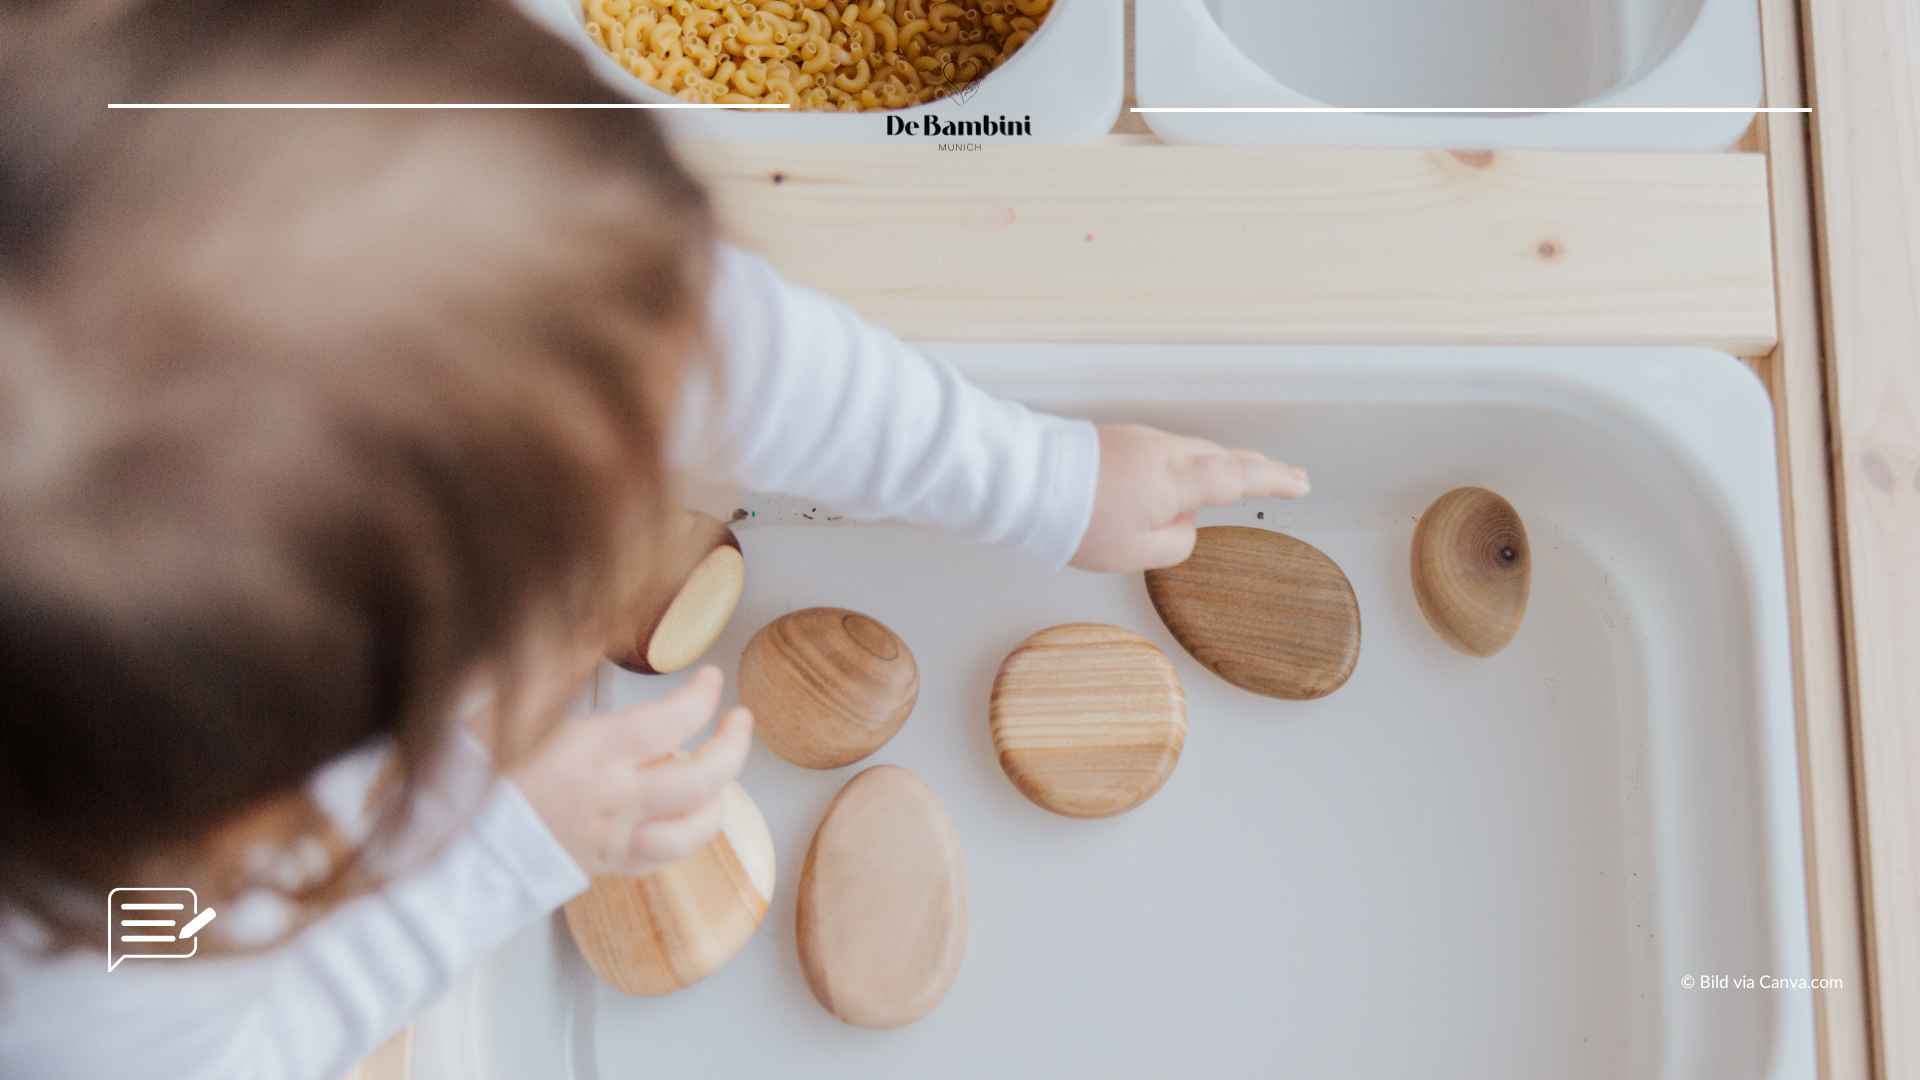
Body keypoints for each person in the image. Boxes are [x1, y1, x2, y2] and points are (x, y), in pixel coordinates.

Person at [0, 2, 1309, 1076]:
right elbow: (242, 1044)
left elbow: (686, 342)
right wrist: (502, 843)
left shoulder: (336, 207)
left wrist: (1038, 480)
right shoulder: (123, 936)